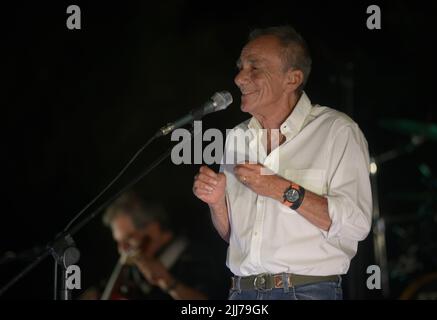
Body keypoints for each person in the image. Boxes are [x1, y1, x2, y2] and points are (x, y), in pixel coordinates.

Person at [193, 26, 372, 300]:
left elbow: (356, 224)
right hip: (242, 293)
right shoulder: (237, 138)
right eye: (241, 67)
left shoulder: (337, 131)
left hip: (305, 291)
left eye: (255, 68)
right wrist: (217, 202)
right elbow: (234, 237)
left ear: (292, 79)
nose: (240, 78)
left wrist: (279, 188)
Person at [86, 191, 226, 300]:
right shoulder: (133, 269)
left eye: (128, 238)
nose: (122, 249)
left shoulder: (196, 256)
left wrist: (167, 281)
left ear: (153, 229)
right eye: (118, 242)